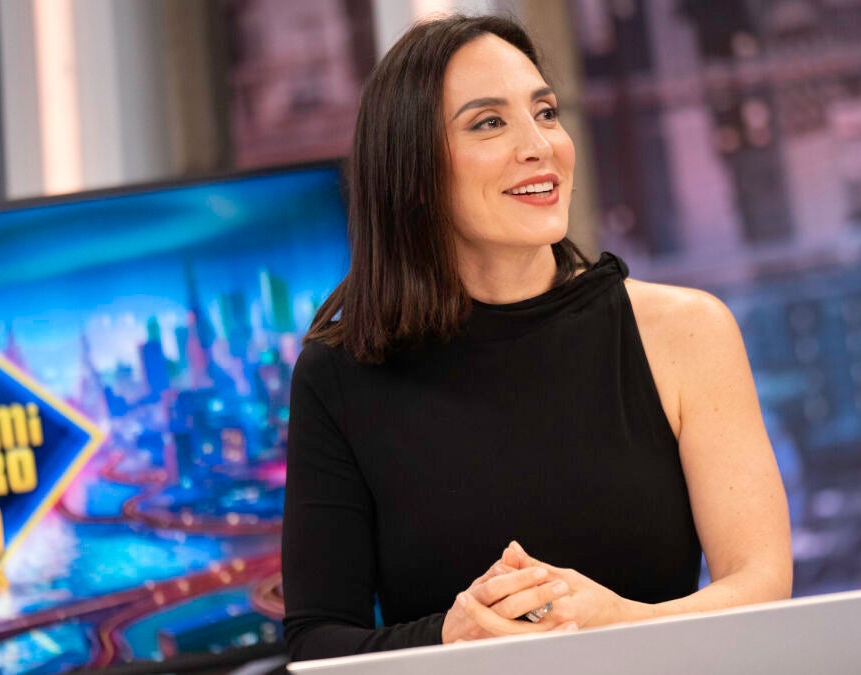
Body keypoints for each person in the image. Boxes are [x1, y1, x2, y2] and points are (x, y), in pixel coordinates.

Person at [281, 14, 792, 662]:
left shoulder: (688, 332)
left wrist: (624, 620)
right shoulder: (338, 376)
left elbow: (761, 583)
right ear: (414, 169)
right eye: (488, 122)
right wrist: (450, 636)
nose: (539, 145)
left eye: (545, 112)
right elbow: (317, 642)